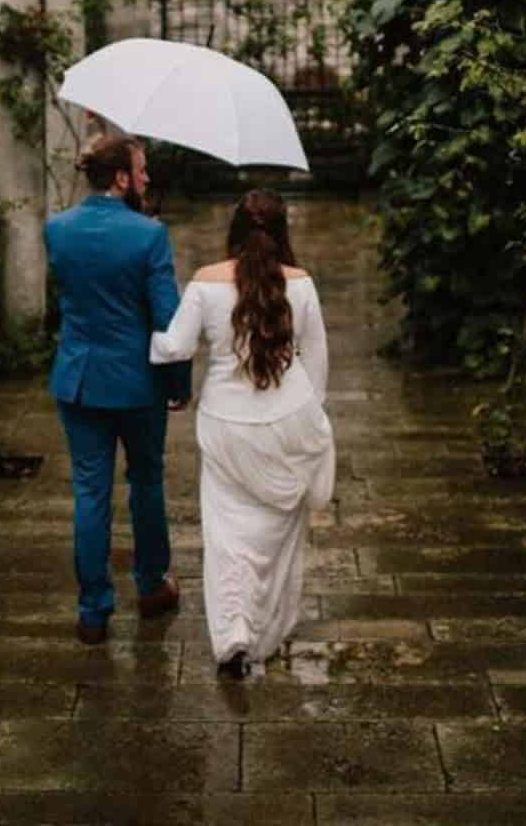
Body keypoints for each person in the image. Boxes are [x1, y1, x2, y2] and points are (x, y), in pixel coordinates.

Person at [150, 188, 334, 677]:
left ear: (233, 228)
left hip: (226, 424)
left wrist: (145, 335)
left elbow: (174, 347)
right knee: (279, 534)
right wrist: (307, 418)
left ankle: (234, 633)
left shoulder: (205, 282)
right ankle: (268, 629)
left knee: (228, 533)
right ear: (282, 231)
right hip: (288, 419)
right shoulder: (302, 284)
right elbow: (316, 365)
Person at [45, 134, 192, 645]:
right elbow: (166, 317)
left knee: (90, 493)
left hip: (80, 378)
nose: (148, 178)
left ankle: (92, 611)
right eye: (142, 169)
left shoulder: (57, 229)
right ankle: (151, 586)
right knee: (146, 481)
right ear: (122, 178)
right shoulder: (149, 235)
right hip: (137, 383)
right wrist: (178, 383)